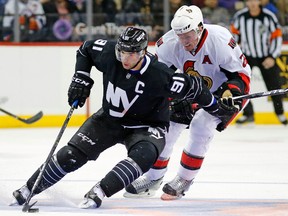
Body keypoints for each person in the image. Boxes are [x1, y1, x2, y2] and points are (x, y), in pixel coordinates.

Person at [10, 27, 237, 209]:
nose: (124, 58)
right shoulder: (110, 54)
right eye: (122, 52)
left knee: (146, 155)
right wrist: (80, 77)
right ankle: (29, 188)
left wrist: (218, 107)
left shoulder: (159, 74)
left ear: (142, 53)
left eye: (130, 53)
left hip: (146, 126)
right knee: (72, 155)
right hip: (109, 120)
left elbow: (196, 89)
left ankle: (99, 191)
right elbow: (86, 49)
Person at [123, 5, 251, 200]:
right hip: (192, 90)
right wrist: (172, 98)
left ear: (200, 28)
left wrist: (231, 91)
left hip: (224, 93)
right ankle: (153, 178)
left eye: (187, 35)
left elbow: (241, 75)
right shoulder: (168, 43)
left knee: (202, 124)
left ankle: (184, 179)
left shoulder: (220, 40)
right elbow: (158, 79)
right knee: (167, 125)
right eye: (179, 35)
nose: (183, 41)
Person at [230, 0, 287, 125]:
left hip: (266, 56)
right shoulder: (240, 17)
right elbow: (234, 37)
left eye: (255, 0)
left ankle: (280, 113)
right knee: (242, 85)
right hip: (247, 56)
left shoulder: (268, 16)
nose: (252, 3)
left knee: (274, 85)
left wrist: (272, 56)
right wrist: (235, 55)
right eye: (249, 1)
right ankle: (248, 114)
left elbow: (277, 36)